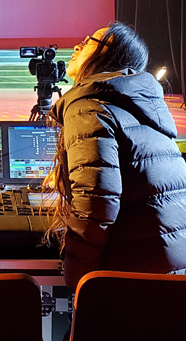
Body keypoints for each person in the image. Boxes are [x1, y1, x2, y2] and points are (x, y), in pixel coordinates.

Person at [44, 21, 186, 291]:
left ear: (109, 56)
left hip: (134, 280)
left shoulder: (89, 105)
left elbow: (95, 206)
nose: (78, 46)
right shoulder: (144, 108)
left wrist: (78, 284)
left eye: (90, 42)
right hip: (169, 274)